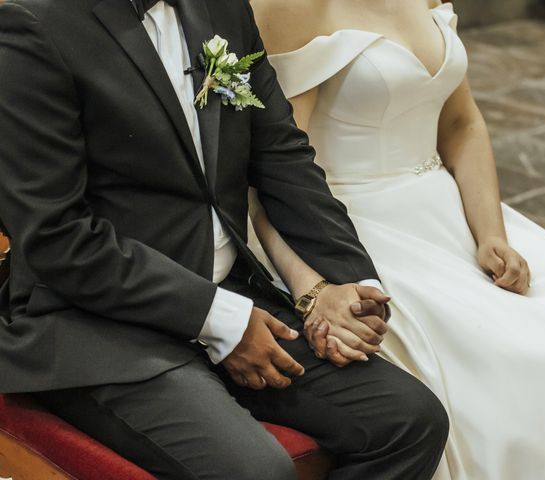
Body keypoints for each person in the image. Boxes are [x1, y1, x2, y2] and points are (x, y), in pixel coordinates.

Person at [0, 0, 450, 479]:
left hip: (229, 291)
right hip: (98, 324)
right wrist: (216, 318)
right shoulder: (35, 26)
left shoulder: (221, 7)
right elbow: (56, 238)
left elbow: (281, 156)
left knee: (409, 420)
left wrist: (348, 285)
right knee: (254, 471)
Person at [247, 0, 545, 478]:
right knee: (519, 362)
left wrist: (490, 234)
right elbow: (274, 170)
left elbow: (462, 124)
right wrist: (317, 287)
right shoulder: (297, 7)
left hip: (443, 208)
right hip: (347, 221)